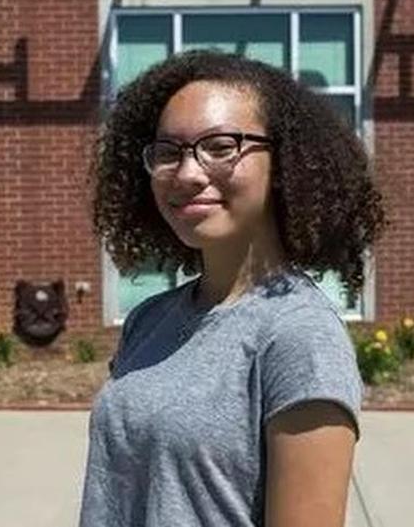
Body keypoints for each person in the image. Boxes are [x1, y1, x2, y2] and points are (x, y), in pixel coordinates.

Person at [80, 50, 386, 527]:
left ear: (283, 162)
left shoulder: (299, 338)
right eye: (168, 152)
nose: (188, 173)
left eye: (221, 146)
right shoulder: (149, 320)